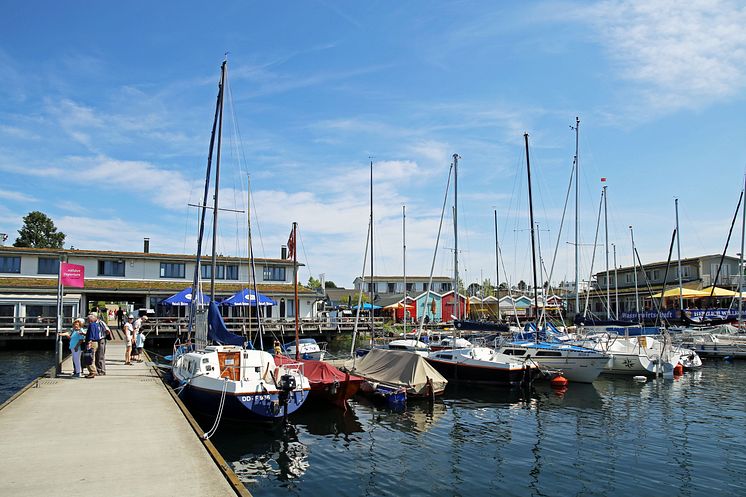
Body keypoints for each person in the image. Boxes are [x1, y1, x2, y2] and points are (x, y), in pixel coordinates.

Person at [84, 313, 102, 378]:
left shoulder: (91, 325)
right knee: (92, 357)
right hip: (95, 342)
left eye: (88, 319)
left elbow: (92, 334)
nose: (87, 320)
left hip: (92, 343)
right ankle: (92, 371)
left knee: (90, 357)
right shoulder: (96, 325)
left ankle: (93, 371)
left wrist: (89, 341)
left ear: (90, 319)